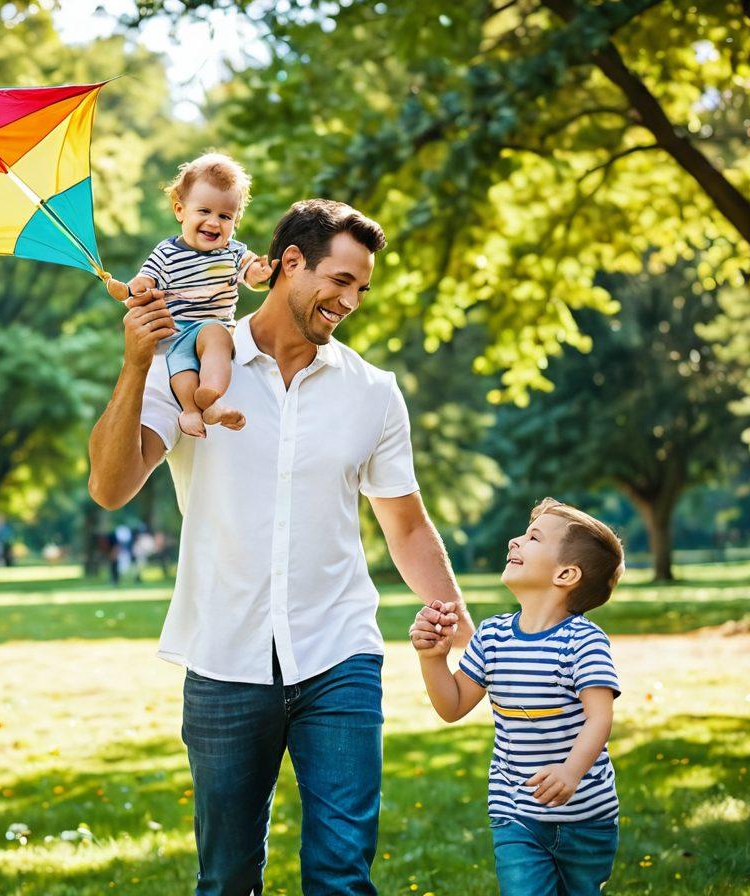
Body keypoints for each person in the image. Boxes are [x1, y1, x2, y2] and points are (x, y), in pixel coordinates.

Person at [88, 198, 473, 895]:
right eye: (341, 280)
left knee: (341, 876)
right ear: (290, 264)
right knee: (228, 879)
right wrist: (135, 362)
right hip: (225, 656)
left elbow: (407, 525)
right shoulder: (193, 368)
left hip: (340, 655)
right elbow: (111, 487)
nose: (351, 300)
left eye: (361, 288)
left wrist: (461, 621)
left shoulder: (373, 393)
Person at [410, 498, 625, 896]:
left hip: (586, 819)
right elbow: (452, 706)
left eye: (533, 537)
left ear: (566, 574)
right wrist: (433, 659)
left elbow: (600, 717)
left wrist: (570, 772)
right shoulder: (492, 637)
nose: (514, 541)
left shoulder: (584, 641)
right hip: (516, 812)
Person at [105, 153, 276, 438]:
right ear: (180, 210)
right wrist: (134, 289)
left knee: (216, 342)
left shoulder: (232, 252)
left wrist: (258, 276)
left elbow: (249, 276)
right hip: (175, 332)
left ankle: (213, 402)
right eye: (204, 211)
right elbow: (146, 280)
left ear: (235, 221)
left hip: (213, 326)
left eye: (225, 216)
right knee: (181, 370)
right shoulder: (166, 253)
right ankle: (190, 410)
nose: (214, 222)